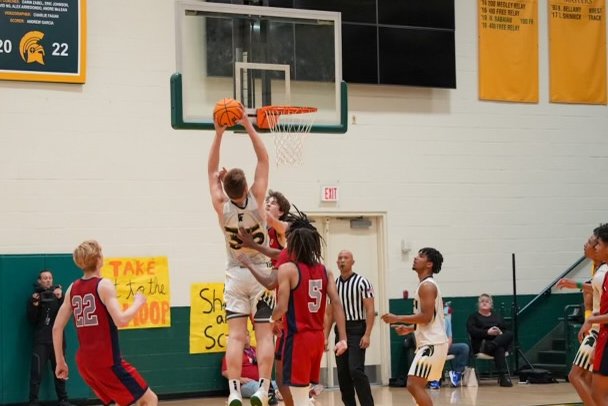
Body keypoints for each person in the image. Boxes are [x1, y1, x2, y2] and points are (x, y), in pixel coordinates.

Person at [208, 109, 275, 406]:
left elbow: (210, 171)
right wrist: (247, 123)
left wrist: (219, 132)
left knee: (235, 337)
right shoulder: (259, 197)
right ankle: (262, 389)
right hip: (260, 272)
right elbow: (263, 159)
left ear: (225, 188)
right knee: (263, 336)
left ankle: (235, 391)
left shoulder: (221, 204)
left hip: (235, 272)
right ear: (246, 186)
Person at [52, 240, 158, 406]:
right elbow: (121, 320)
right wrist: (138, 302)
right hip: (107, 361)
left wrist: (60, 361)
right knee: (149, 399)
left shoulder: (72, 288)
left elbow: (57, 328)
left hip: (85, 363)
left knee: (118, 402)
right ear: (99, 259)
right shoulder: (103, 285)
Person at [270, 213, 348, 406]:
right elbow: (337, 303)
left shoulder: (288, 269)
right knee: (303, 394)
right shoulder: (325, 270)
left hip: (298, 339)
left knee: (300, 399)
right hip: (317, 338)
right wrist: (343, 338)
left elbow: (281, 307)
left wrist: (273, 320)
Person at [381, 247, 448, 406]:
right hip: (431, 342)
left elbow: (426, 317)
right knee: (416, 387)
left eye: (421, 256)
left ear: (429, 264)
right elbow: (432, 319)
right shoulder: (424, 285)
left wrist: (398, 318)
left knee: (413, 384)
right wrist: (410, 329)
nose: (416, 258)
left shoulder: (427, 286)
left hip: (433, 344)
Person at [556, 228, 603, 406]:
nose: (586, 244)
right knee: (589, 378)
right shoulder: (597, 267)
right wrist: (575, 284)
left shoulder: (604, 269)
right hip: (596, 324)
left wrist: (590, 321)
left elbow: (594, 295)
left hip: (599, 327)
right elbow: (594, 290)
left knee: (577, 376)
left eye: (592, 242)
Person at [325, 250, 375, 406]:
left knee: (355, 370)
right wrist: (324, 336)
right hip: (340, 331)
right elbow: (330, 313)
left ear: (353, 262)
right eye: (339, 258)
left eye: (346, 258)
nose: (342, 260)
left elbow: (370, 309)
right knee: (342, 374)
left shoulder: (362, 282)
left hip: (357, 329)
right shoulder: (333, 285)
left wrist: (367, 334)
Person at [27, 269, 73, 406]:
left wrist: (61, 297)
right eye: (44, 278)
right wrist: (34, 305)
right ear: (39, 281)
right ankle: (33, 401)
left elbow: (66, 313)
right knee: (37, 372)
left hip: (57, 341)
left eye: (50, 278)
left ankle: (63, 399)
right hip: (41, 341)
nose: (47, 280)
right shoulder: (35, 297)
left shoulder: (58, 295)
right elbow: (32, 320)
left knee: (60, 371)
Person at [466, 293, 514, 387]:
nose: (484, 303)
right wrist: (487, 332)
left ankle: (493, 345)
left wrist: (500, 332)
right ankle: (502, 377)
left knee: (509, 335)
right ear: (478, 304)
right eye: (482, 301)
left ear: (491, 305)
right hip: (482, 345)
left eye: (487, 301)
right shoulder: (473, 317)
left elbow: (505, 330)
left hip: (494, 343)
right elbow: (472, 331)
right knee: (499, 348)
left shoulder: (497, 316)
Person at [221, 332, 280, 405]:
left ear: (250, 337)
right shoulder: (233, 352)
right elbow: (225, 372)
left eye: (247, 335)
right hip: (246, 385)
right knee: (257, 386)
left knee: (279, 383)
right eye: (243, 335)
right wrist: (240, 379)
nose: (245, 337)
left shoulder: (256, 350)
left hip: (261, 381)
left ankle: (274, 393)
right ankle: (274, 394)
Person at [427, 302, 470, 389]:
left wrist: (446, 347)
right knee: (434, 352)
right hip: (432, 347)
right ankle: (435, 378)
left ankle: (456, 375)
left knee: (464, 347)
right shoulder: (428, 321)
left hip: (445, 346)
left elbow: (449, 337)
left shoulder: (446, 320)